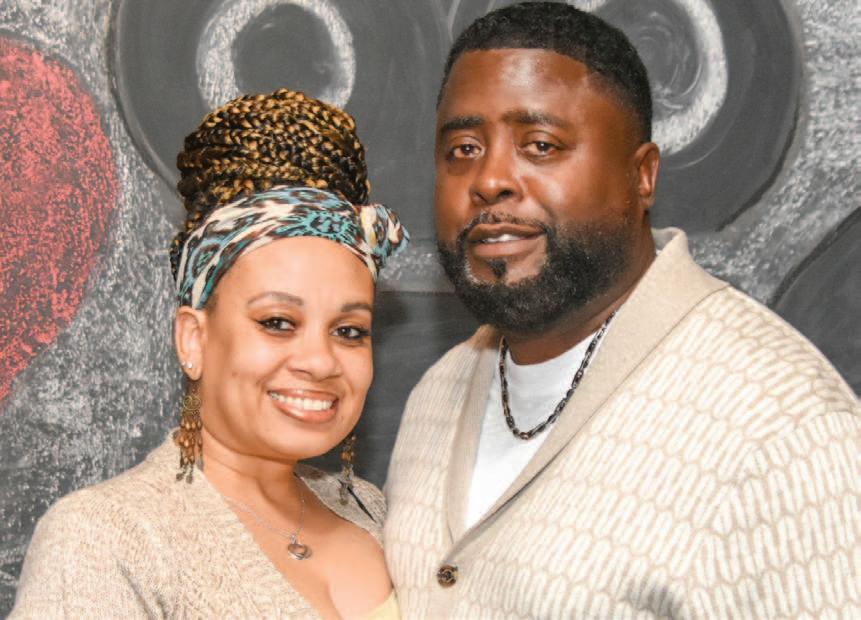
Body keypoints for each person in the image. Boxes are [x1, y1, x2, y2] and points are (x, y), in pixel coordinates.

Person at [384, 3, 860, 618]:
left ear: (643, 177)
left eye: (541, 145)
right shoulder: (436, 395)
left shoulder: (785, 429)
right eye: (463, 148)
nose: (490, 179)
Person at [12, 89, 408, 619]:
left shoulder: (373, 512)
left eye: (349, 330)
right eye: (277, 322)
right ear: (193, 339)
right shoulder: (104, 540)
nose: (320, 361)